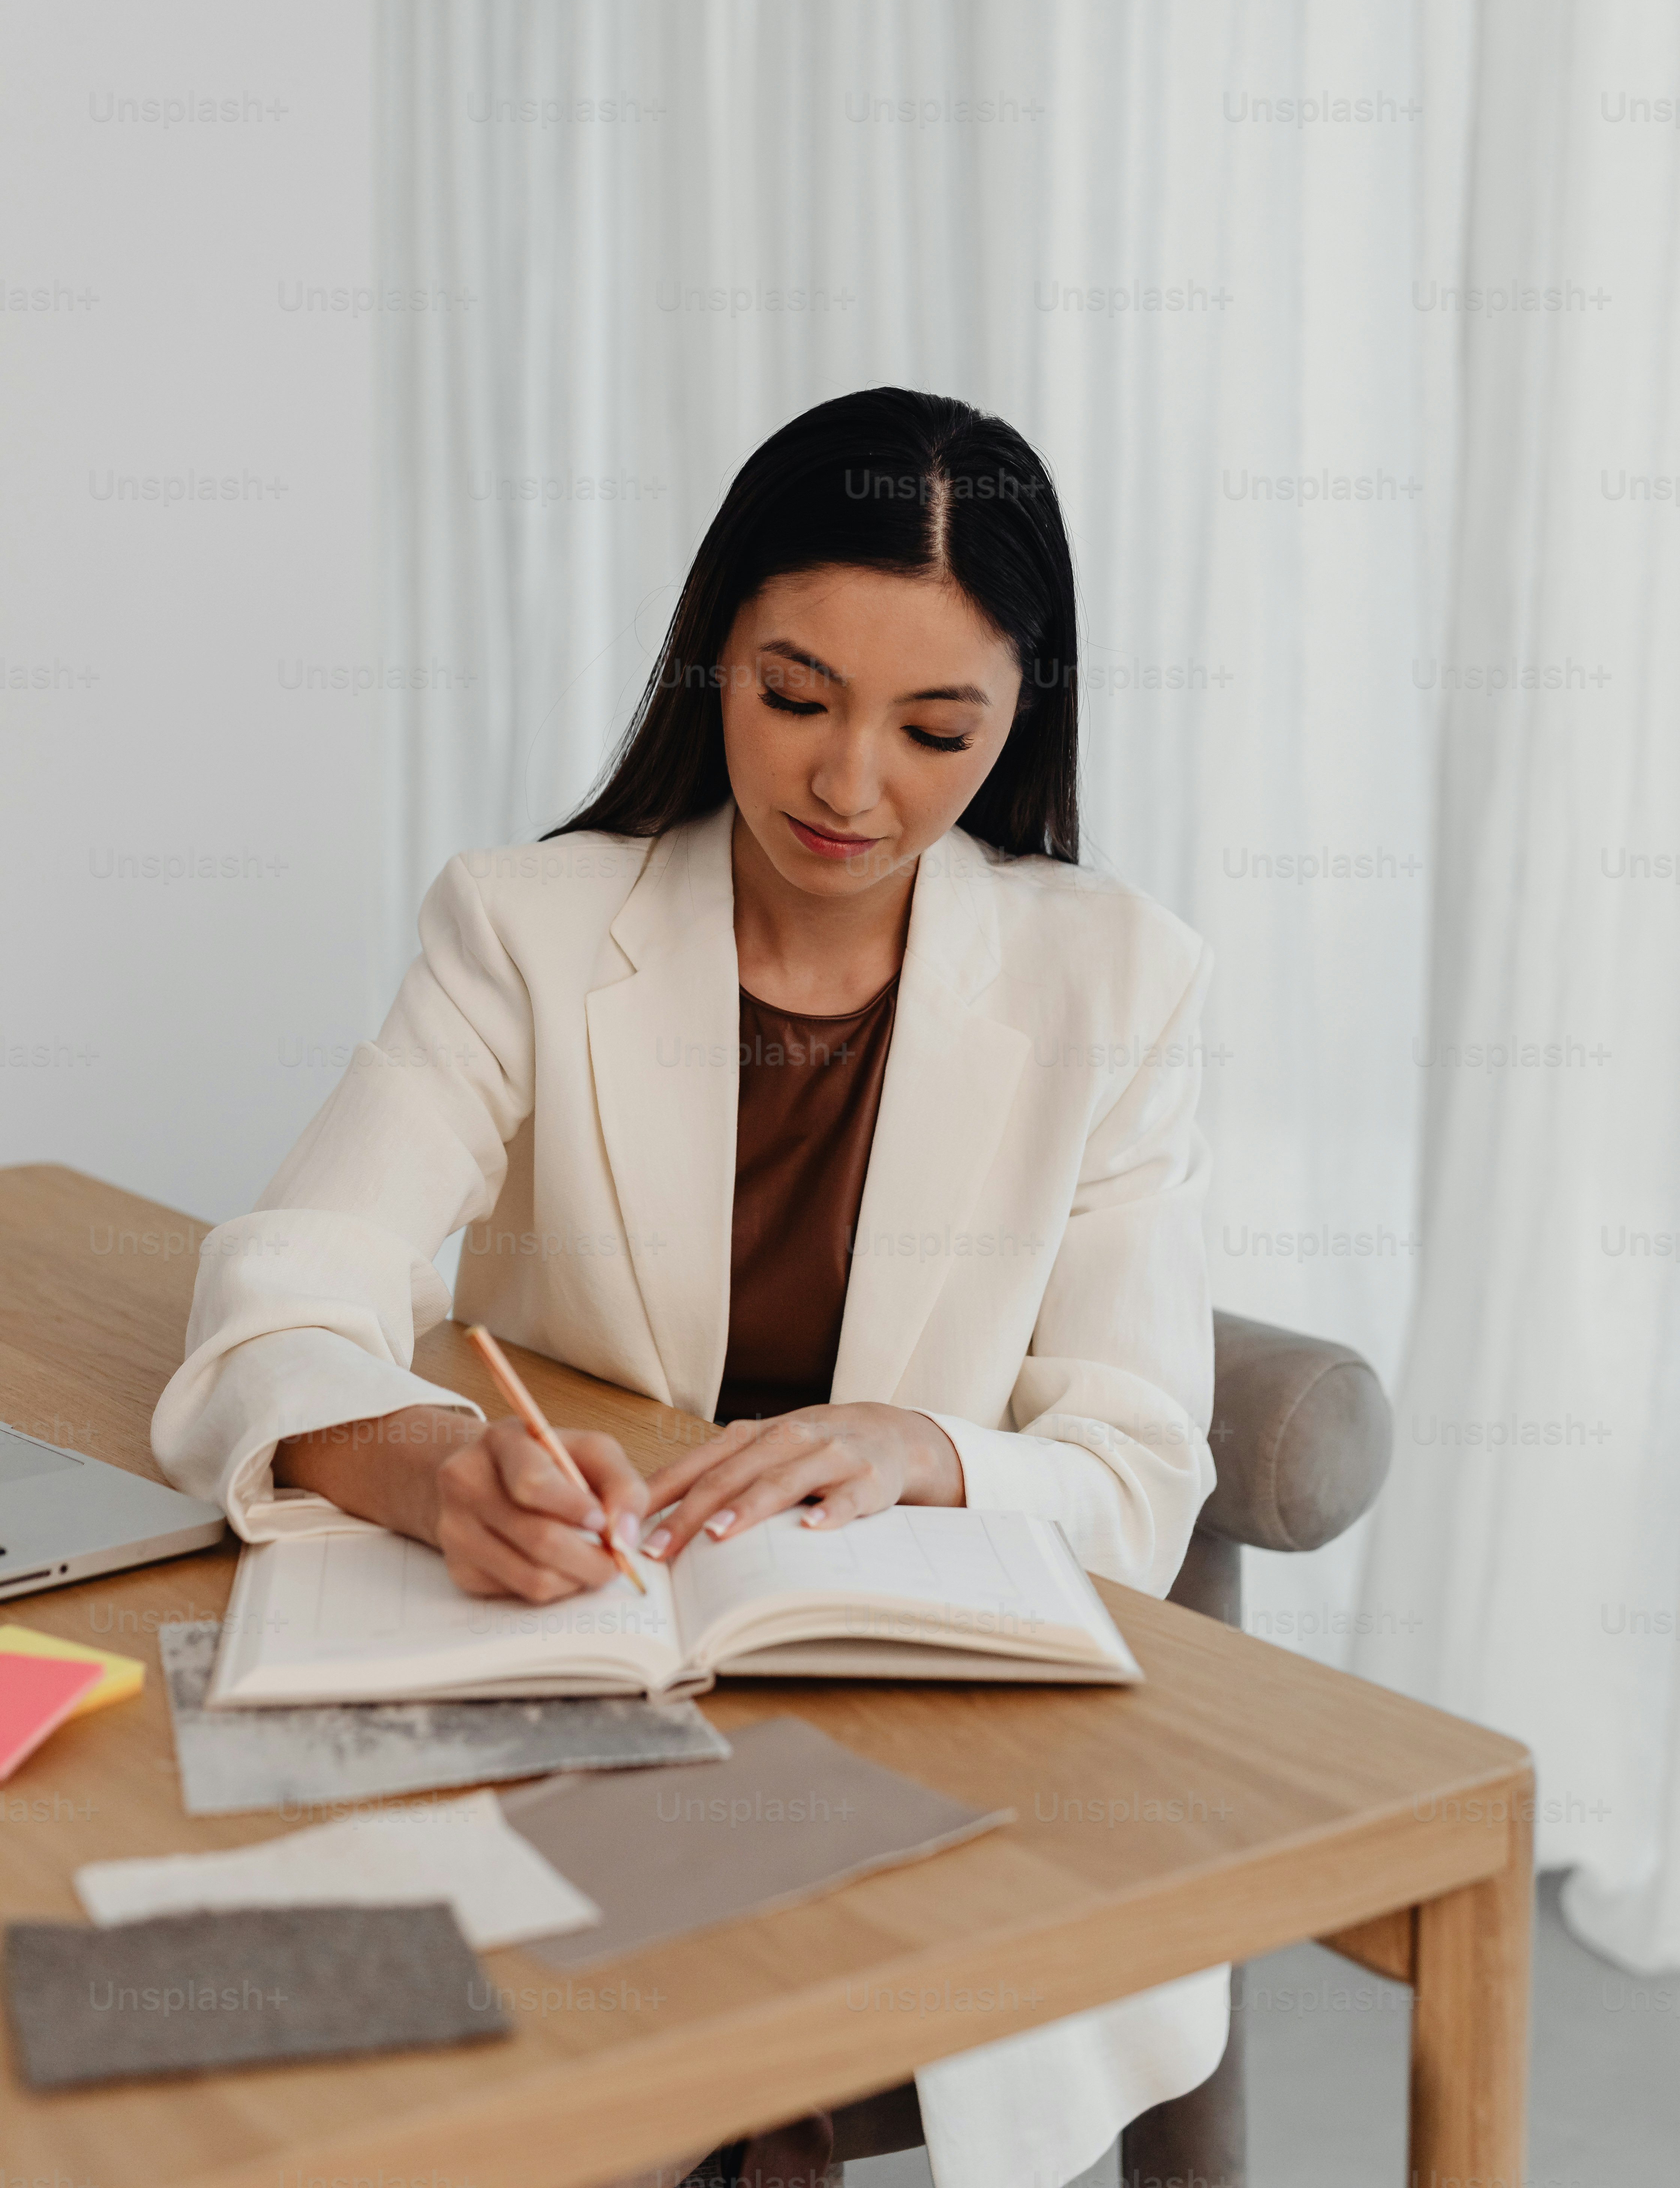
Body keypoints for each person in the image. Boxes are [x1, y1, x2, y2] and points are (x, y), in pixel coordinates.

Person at [154, 386, 1228, 2188]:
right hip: (565, 1646)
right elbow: (284, 1293)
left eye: (936, 729)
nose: (847, 783)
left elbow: (1137, 1456)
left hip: (890, 1689)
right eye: (794, 696)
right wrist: (431, 1469)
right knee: (288, 1991)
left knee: (668, 2000)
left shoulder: (1115, 982)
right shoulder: (525, 927)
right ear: (708, 660)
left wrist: (920, 1446)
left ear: (1018, 722)